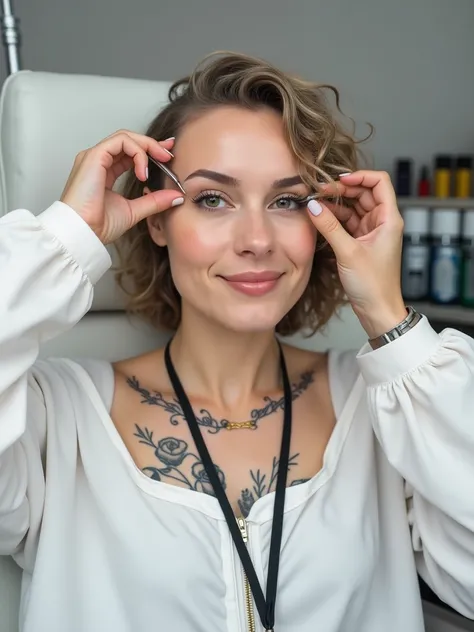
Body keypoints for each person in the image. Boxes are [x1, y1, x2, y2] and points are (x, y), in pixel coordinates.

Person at [0, 50, 473, 632]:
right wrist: (67, 235)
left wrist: (388, 318)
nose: (256, 239)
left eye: (287, 201)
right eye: (213, 199)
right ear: (156, 219)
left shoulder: (385, 412)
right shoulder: (53, 422)